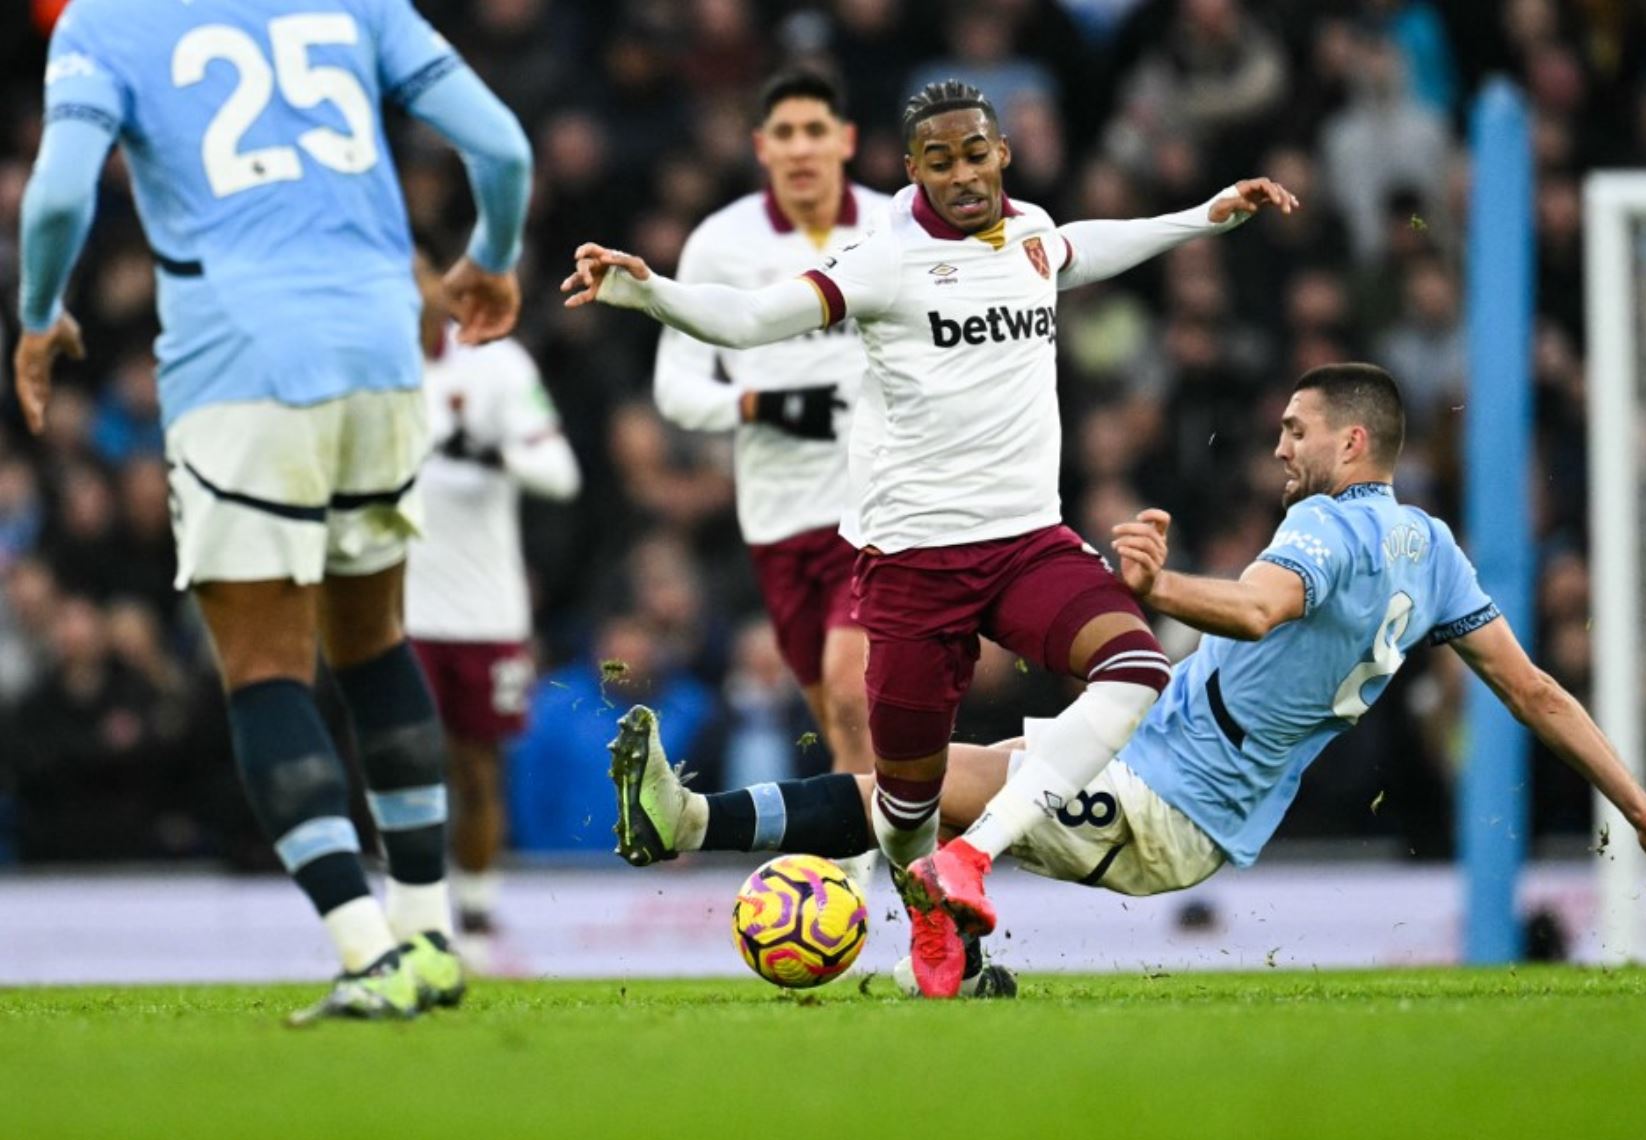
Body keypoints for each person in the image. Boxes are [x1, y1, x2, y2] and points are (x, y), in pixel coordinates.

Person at [609, 363, 1646, 996]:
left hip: (1174, 802)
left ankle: (696, 821)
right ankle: (953, 959)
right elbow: (1537, 691)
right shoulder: (1436, 548)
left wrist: (1154, 585)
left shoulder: (1326, 526)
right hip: (1161, 772)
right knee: (916, 779)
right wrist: (1637, 802)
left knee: (903, 786)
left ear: (1351, 444)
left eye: (1296, 428)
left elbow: (1258, 607)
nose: (1280, 449)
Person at [563, 78, 1297, 997]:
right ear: (912, 169)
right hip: (914, 565)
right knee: (904, 802)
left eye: (976, 154)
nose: (962, 175)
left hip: (1027, 544)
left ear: (1004, 154)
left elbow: (1082, 249)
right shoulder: (885, 262)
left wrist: (1204, 216)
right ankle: (937, 935)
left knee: (1137, 668)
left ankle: (975, 858)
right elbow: (750, 320)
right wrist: (646, 290)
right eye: (939, 161)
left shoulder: (1028, 231)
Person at [14, 0, 532, 1023]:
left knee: (262, 667)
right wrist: (493, 254)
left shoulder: (105, 25)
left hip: (240, 356)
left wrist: (38, 315)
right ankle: (429, 931)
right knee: (374, 641)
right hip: (383, 347)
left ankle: (366, 945)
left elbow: (58, 199)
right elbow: (503, 146)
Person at [652, 68, 885, 775]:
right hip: (778, 516)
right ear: (761, 146)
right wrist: (757, 405)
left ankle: (891, 872)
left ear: (845, 140)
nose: (801, 148)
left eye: (816, 130)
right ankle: (895, 851)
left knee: (853, 691)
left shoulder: (893, 226)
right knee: (837, 719)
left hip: (879, 502)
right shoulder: (721, 245)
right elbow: (675, 387)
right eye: (785, 133)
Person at [405, 254, 580, 956]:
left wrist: (493, 454)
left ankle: (474, 917)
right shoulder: (362, 373)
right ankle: (413, 917)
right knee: (406, 765)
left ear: (440, 287)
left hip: (485, 606)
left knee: (477, 765)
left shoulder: (498, 365)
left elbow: (560, 473)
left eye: (411, 273)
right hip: (398, 605)